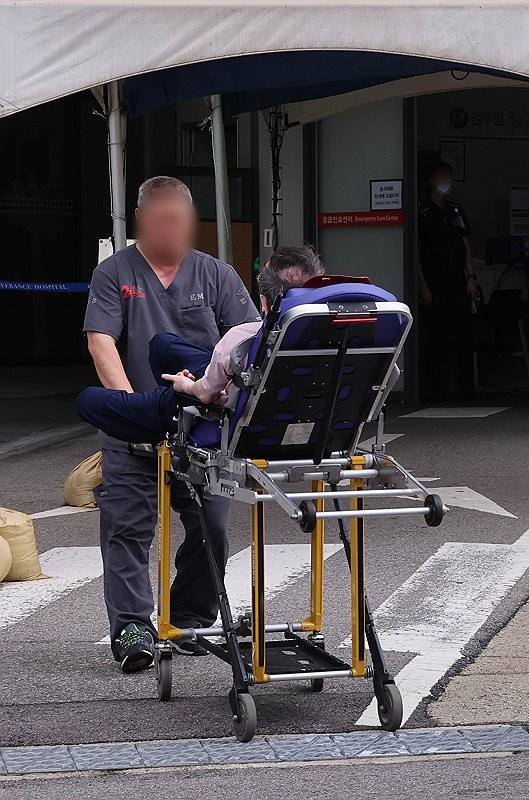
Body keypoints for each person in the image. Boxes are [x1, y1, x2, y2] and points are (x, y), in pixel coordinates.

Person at [83, 176, 261, 672]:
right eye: (161, 219)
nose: (171, 229)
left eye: (179, 219)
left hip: (202, 427)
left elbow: (246, 338)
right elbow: (102, 340)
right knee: (126, 527)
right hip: (134, 421)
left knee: (214, 524)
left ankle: (189, 617)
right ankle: (133, 627)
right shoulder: (115, 272)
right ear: (142, 220)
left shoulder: (216, 275)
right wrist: (130, 407)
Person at [77, 246, 326, 445]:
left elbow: (206, 393)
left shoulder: (241, 338)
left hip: (216, 407)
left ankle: (153, 415)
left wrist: (186, 384)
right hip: (275, 399)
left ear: (264, 299)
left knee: (88, 400)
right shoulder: (335, 341)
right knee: (164, 343)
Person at [416, 161, 477, 401]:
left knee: (464, 335)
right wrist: (423, 287)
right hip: (434, 280)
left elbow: (466, 247)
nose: (446, 181)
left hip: (457, 280)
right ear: (431, 182)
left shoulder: (456, 211)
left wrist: (471, 278)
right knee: (438, 337)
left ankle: (468, 388)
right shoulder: (422, 213)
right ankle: (439, 390)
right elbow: (416, 254)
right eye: (441, 177)